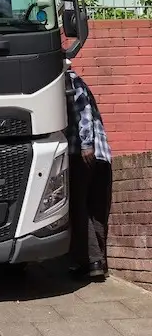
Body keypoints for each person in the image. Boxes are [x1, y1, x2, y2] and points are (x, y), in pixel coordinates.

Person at [64, 68, 113, 281]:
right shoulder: (76, 79)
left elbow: (82, 111)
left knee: (78, 206)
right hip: (102, 155)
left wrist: (86, 144)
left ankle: (91, 260)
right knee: (96, 208)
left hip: (82, 152)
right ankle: (98, 263)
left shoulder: (69, 80)